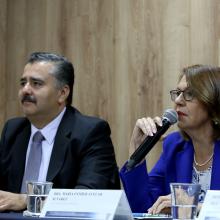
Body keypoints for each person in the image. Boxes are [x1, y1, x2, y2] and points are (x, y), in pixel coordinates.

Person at [0, 52, 120, 211]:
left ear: (62, 93)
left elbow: (90, 198)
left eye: (36, 83)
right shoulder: (13, 131)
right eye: (23, 83)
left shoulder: (90, 133)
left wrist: (27, 200)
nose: (25, 90)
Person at [120, 64, 220, 214]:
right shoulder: (174, 146)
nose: (178, 101)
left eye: (190, 94)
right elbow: (143, 209)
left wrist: (194, 207)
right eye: (178, 93)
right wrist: (137, 150)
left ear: (213, 102)